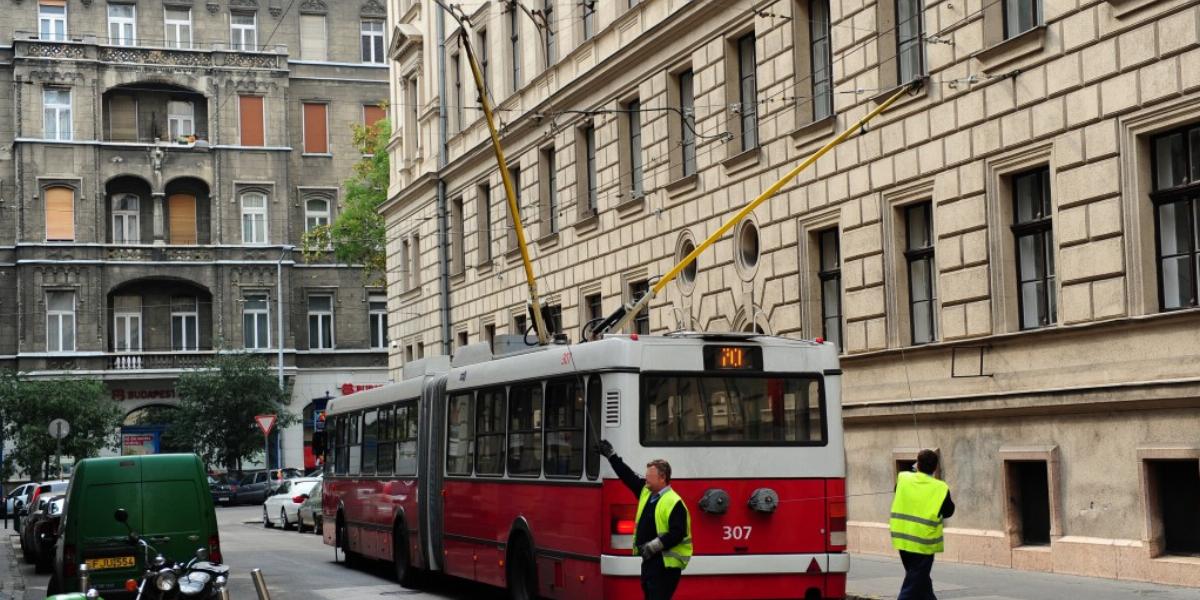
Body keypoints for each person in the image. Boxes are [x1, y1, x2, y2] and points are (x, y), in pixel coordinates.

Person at [597, 440, 692, 600]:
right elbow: (628, 476)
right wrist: (612, 456)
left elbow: (678, 532)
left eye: (650, 475)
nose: (646, 477)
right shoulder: (647, 492)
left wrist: (654, 546)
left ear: (662, 478)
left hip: (665, 564)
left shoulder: (674, 502)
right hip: (650, 561)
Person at [890, 449, 955, 600]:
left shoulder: (903, 478)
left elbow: (897, 491)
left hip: (903, 539)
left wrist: (915, 470)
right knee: (913, 582)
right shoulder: (940, 487)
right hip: (923, 542)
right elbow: (949, 511)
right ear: (935, 468)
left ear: (917, 464)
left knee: (919, 579)